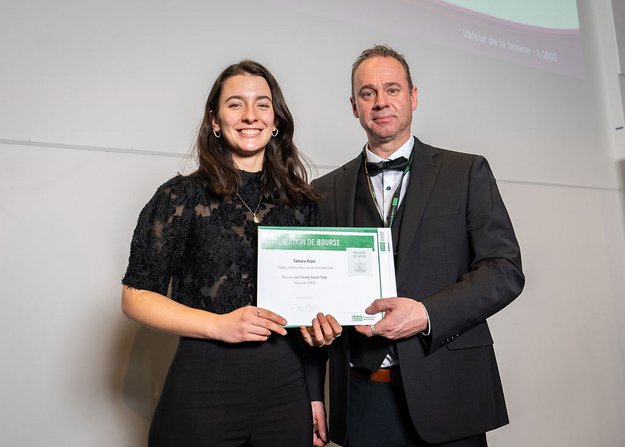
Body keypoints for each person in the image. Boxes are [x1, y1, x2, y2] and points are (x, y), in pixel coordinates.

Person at [311, 45, 525, 446]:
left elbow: (504, 270)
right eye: (367, 93)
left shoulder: (466, 171)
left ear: (413, 96)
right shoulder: (323, 192)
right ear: (353, 106)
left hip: (450, 393)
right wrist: (311, 394)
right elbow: (312, 302)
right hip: (360, 397)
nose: (380, 102)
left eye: (392, 89)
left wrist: (426, 313)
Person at [121, 60, 340, 447]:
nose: (250, 115)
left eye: (262, 104)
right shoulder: (180, 196)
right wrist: (219, 325)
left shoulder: (302, 204)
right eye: (236, 104)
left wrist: (315, 386)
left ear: (276, 121)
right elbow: (134, 298)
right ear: (216, 121)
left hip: (286, 392)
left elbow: (310, 311)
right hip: (204, 385)